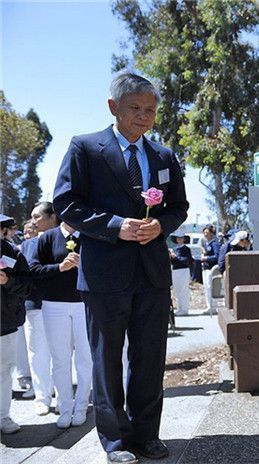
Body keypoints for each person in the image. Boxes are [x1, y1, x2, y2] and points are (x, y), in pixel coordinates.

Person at [53, 71, 188, 463]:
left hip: (152, 275)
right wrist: (115, 227)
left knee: (150, 358)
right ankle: (115, 440)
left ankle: (148, 435)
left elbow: (179, 207)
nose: (144, 116)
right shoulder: (85, 148)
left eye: (151, 110)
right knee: (107, 360)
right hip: (103, 276)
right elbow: (67, 203)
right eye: (135, 109)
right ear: (113, 107)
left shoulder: (163, 155)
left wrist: (161, 224)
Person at [30, 222, 92, 429]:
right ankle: (64, 408)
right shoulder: (48, 237)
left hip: (85, 304)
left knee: (85, 359)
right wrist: (60, 267)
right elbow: (34, 269)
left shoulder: (89, 234)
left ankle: (82, 406)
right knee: (60, 360)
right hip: (53, 305)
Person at [21, 202, 60, 416]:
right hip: (35, 304)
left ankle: (63, 394)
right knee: (37, 353)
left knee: (61, 354)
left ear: (52, 216)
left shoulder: (65, 239)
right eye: (32, 217)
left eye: (37, 217)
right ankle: (42, 397)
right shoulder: (28, 245)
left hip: (63, 304)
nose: (33, 222)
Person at [1, 214, 31, 434]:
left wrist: (7, 281)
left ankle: (3, 416)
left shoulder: (12, 253)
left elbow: (27, 285)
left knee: (4, 371)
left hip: (5, 321)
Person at [169, 231, 192, 316]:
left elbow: (186, 260)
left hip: (184, 270)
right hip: (175, 270)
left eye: (181, 238)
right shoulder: (174, 249)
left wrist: (176, 257)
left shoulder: (186, 249)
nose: (179, 240)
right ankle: (179, 308)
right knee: (177, 290)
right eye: (178, 238)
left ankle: (185, 309)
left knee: (184, 290)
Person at [200, 224, 219, 315]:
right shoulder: (206, 243)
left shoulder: (214, 243)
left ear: (211, 233)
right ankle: (209, 306)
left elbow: (216, 256)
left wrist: (206, 258)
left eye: (207, 232)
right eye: (204, 232)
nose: (205, 234)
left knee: (210, 287)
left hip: (211, 268)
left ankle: (213, 306)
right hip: (206, 267)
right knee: (207, 287)